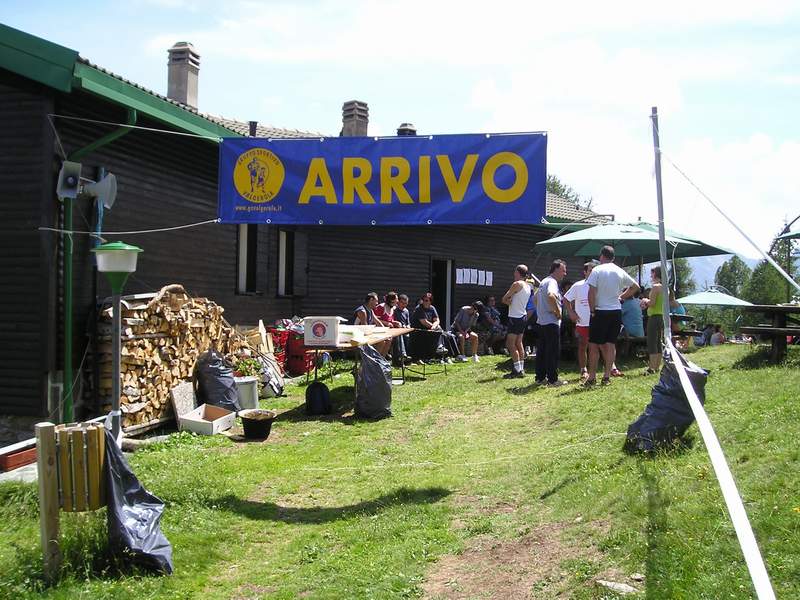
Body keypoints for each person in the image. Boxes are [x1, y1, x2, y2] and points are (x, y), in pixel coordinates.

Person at [585, 246, 640, 385]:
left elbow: (591, 292)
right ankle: (606, 376)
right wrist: (621, 297)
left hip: (600, 310)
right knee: (610, 344)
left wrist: (592, 310)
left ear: (601, 256)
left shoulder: (597, 270)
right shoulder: (619, 271)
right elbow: (635, 287)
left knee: (593, 345)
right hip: (616, 311)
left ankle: (592, 377)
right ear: (613, 258)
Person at [534, 259, 568, 386]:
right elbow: (551, 296)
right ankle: (553, 380)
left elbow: (535, 298)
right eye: (563, 270)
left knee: (542, 351)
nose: (565, 273)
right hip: (551, 322)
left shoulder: (544, 281)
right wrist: (557, 312)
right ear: (556, 269)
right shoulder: (552, 282)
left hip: (542, 322)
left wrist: (541, 310)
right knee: (552, 351)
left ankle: (540, 378)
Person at [565, 262, 596, 380]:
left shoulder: (599, 285)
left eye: (594, 270)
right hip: (582, 321)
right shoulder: (578, 285)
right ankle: (583, 369)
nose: (592, 272)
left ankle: (605, 368)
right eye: (590, 270)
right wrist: (571, 313)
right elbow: (566, 299)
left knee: (599, 346)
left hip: (596, 320)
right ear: (585, 272)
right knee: (583, 345)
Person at [502, 264, 533, 378]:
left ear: (517, 272)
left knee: (510, 344)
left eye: (515, 271)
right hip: (523, 316)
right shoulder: (528, 286)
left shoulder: (516, 284)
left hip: (514, 317)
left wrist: (508, 301)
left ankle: (517, 370)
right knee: (519, 343)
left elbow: (504, 299)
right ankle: (521, 368)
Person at [640, 266, 671, 373]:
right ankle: (657, 366)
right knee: (658, 342)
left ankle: (651, 367)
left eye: (652, 273)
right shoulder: (665, 288)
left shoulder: (655, 287)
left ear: (655, 274)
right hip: (663, 317)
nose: (650, 275)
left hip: (654, 317)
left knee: (652, 341)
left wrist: (645, 300)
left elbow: (652, 303)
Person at [411, 293, 456, 362]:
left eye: (427, 300)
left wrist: (434, 326)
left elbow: (437, 320)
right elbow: (424, 322)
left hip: (430, 329)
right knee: (439, 331)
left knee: (447, 335)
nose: (424, 302)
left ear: (430, 301)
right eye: (423, 300)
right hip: (420, 330)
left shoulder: (432, 308)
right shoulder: (419, 308)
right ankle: (440, 348)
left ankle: (451, 355)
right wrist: (434, 327)